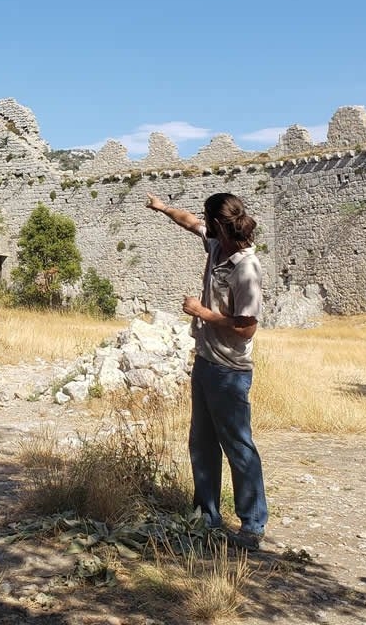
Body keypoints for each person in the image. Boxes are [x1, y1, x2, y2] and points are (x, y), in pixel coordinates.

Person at [145, 191, 268, 550]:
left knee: (238, 446)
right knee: (202, 444)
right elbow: (189, 222)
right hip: (205, 362)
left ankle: (252, 525)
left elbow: (246, 327)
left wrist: (202, 312)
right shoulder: (215, 244)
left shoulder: (246, 269)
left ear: (219, 223)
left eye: (207, 218)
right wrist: (163, 208)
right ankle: (206, 517)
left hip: (230, 370)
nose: (203, 223)